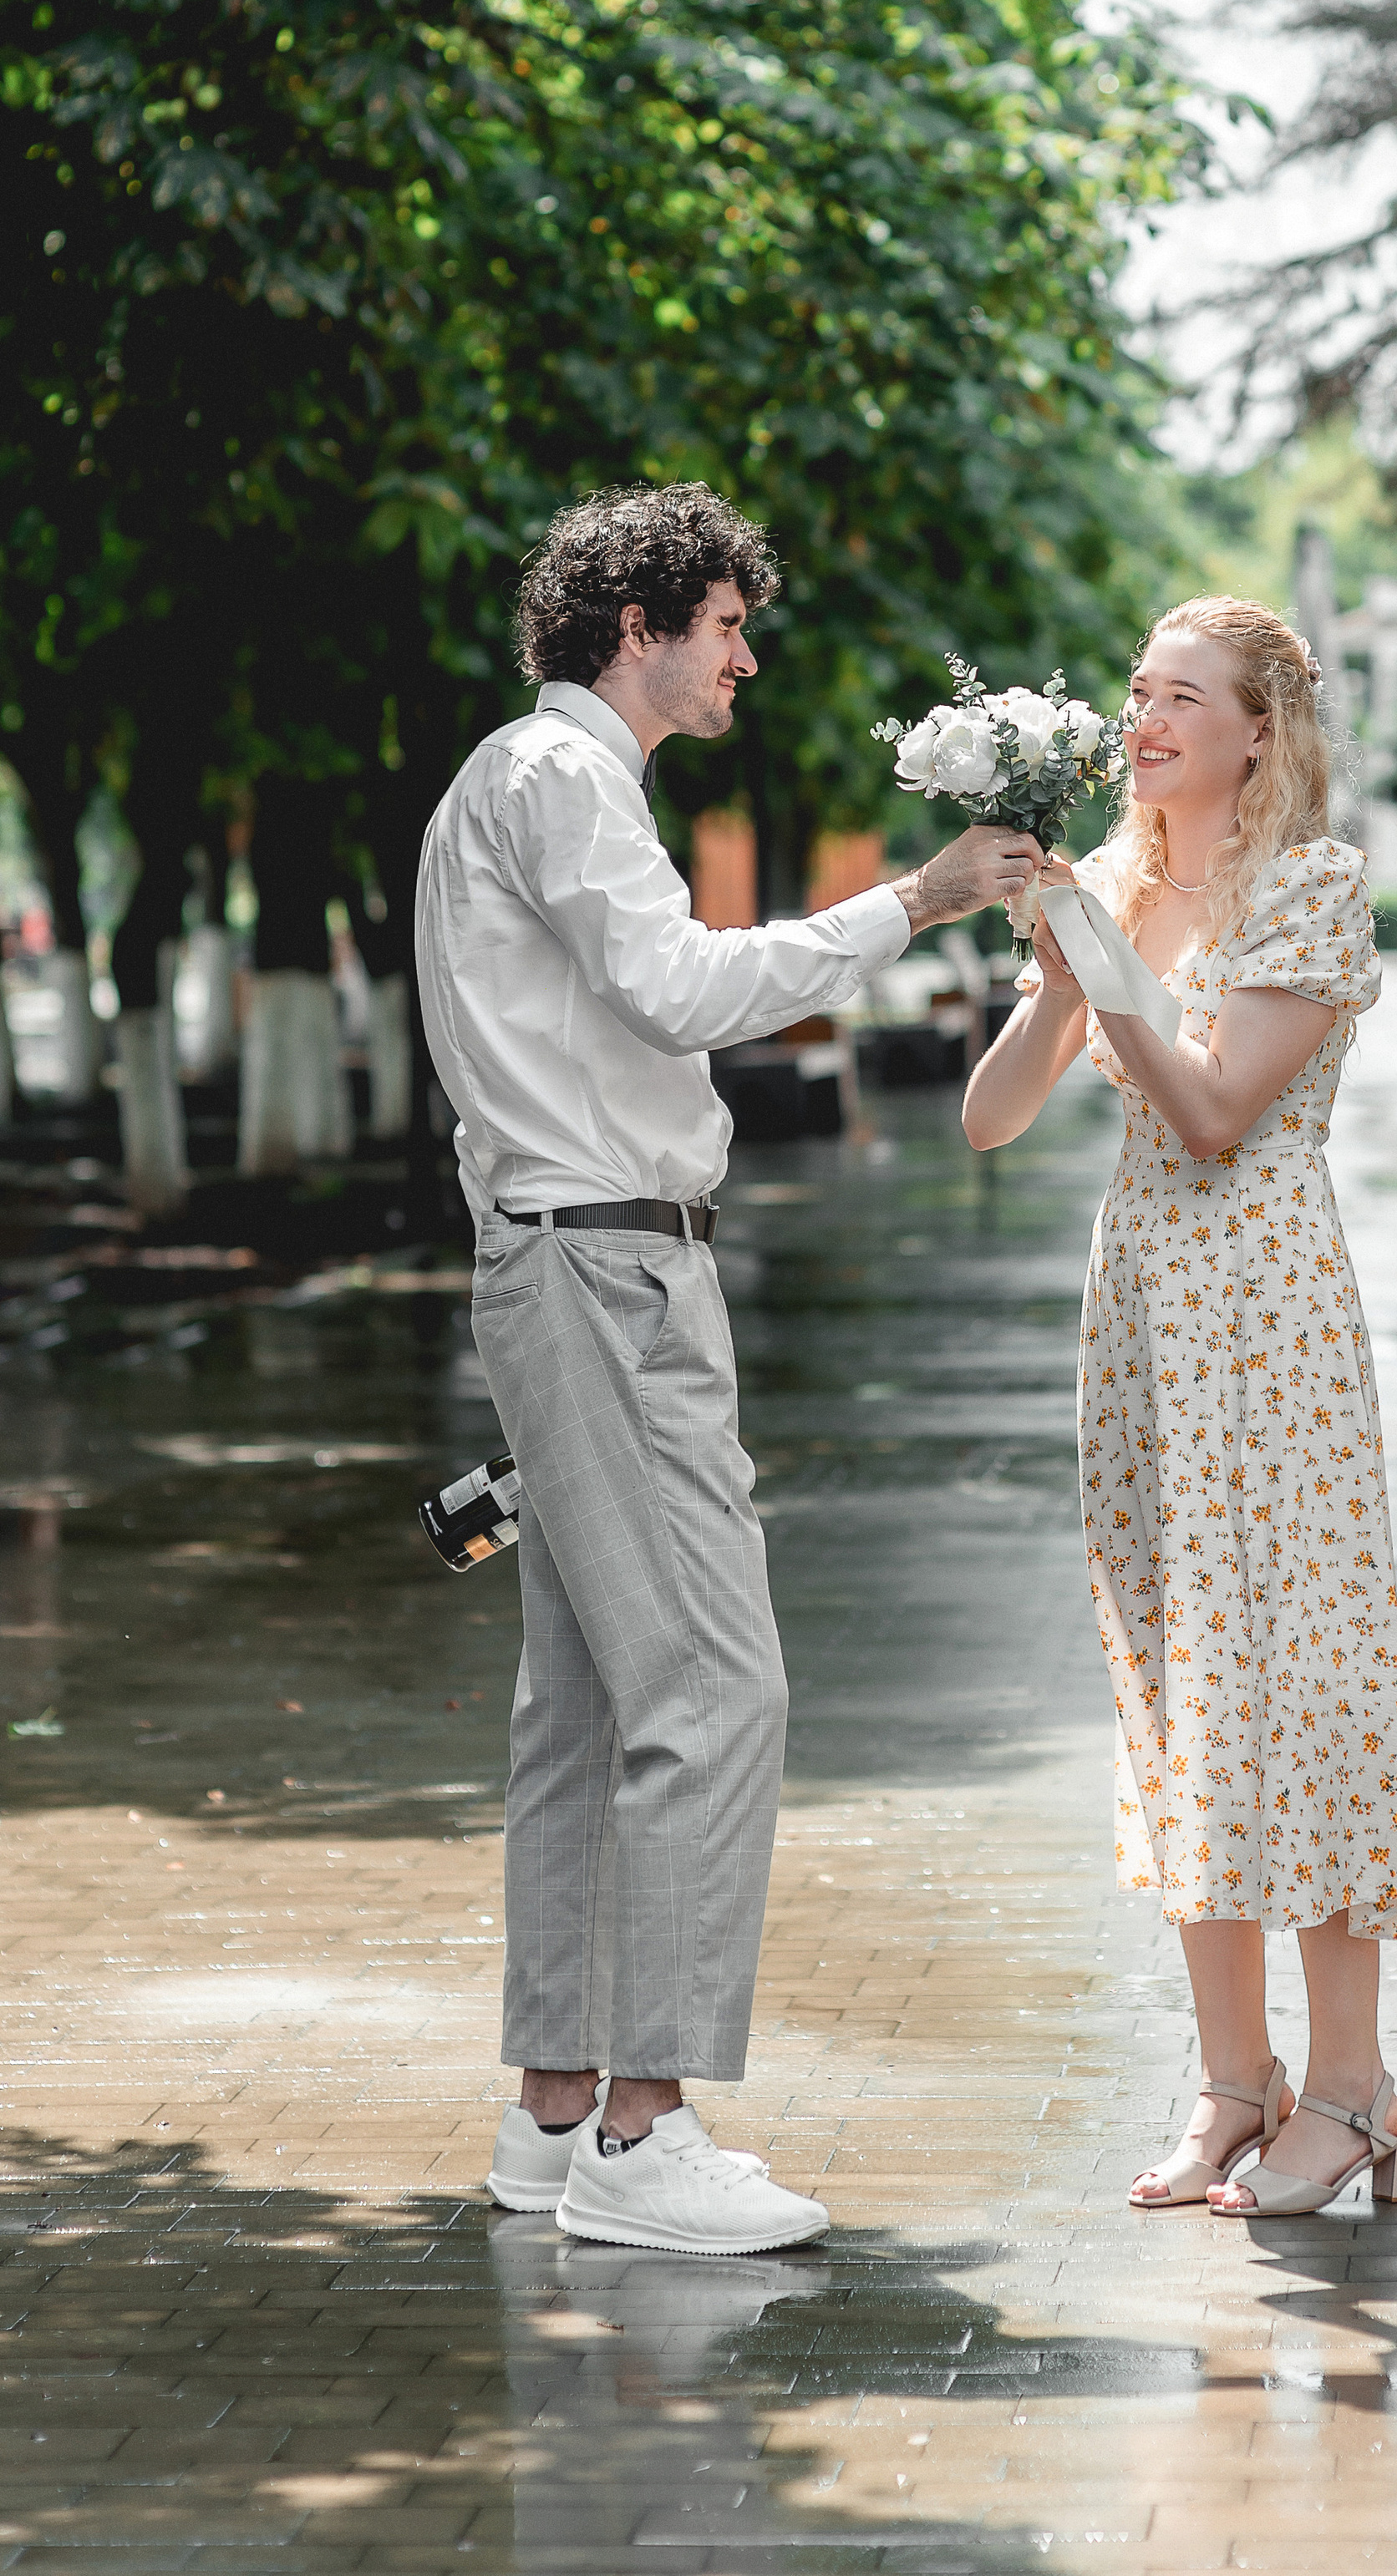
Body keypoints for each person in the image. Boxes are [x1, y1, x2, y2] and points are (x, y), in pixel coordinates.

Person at [415, 484, 1041, 2257]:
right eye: (726, 626)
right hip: (605, 1273)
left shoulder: (537, 787)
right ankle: (644, 2133)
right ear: (639, 629)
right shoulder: (552, 781)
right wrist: (905, 904)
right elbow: (681, 990)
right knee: (716, 1690)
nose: (746, 655)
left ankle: (556, 2120)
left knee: (594, 1705)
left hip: (572, 1267)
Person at [962, 595, 1397, 2217]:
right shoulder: (1106, 887)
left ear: (1257, 731)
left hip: (1267, 1316)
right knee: (1175, 1689)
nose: (1146, 717)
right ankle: (1235, 2085)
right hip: (1143, 1320)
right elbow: (987, 1120)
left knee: (1295, 1682)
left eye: (1185, 696)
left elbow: (1226, 1112)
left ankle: (1356, 2088)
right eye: (1137, 691)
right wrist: (1058, 978)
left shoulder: (1308, 888)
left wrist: (1117, 976)